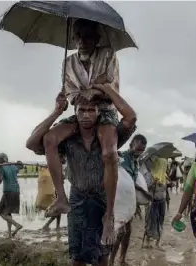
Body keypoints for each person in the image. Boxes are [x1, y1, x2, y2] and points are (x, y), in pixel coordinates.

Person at [26, 82, 136, 266]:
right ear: (75, 113)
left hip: (102, 201)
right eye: (81, 110)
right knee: (77, 261)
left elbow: (130, 117)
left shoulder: (110, 135)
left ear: (99, 112)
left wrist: (108, 90)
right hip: (76, 200)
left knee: (102, 263)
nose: (86, 115)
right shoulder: (67, 138)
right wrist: (56, 111)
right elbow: (33, 142)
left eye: (91, 110)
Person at [26, 18, 121, 220]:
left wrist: (95, 92)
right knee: (49, 139)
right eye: (78, 36)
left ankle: (109, 211)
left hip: (104, 110)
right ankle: (61, 197)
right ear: (73, 38)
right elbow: (70, 91)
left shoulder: (108, 54)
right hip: (79, 110)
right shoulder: (68, 62)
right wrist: (73, 98)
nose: (82, 41)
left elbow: (111, 85)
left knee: (109, 153)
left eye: (87, 36)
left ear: (96, 38)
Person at [109, 134, 150, 266]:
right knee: (121, 232)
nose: (140, 152)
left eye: (142, 150)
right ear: (131, 145)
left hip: (129, 200)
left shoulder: (135, 161)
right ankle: (111, 261)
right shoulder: (123, 158)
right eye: (138, 149)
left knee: (128, 232)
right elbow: (126, 181)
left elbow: (134, 180)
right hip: (119, 200)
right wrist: (144, 192)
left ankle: (121, 260)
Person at [0, 153, 23, 238]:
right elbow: (20, 167)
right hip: (16, 191)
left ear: (1, 160)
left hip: (8, 191)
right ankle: (10, 234)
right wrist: (19, 163)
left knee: (1, 213)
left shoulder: (2, 167)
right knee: (8, 213)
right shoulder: (13, 166)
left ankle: (17, 225)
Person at [142, 156, 169, 250]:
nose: (164, 166)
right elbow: (145, 189)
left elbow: (166, 188)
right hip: (152, 201)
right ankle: (147, 241)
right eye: (163, 165)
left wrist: (169, 184)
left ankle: (157, 243)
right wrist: (153, 183)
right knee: (150, 221)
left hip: (162, 201)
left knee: (160, 222)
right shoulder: (150, 174)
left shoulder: (164, 175)